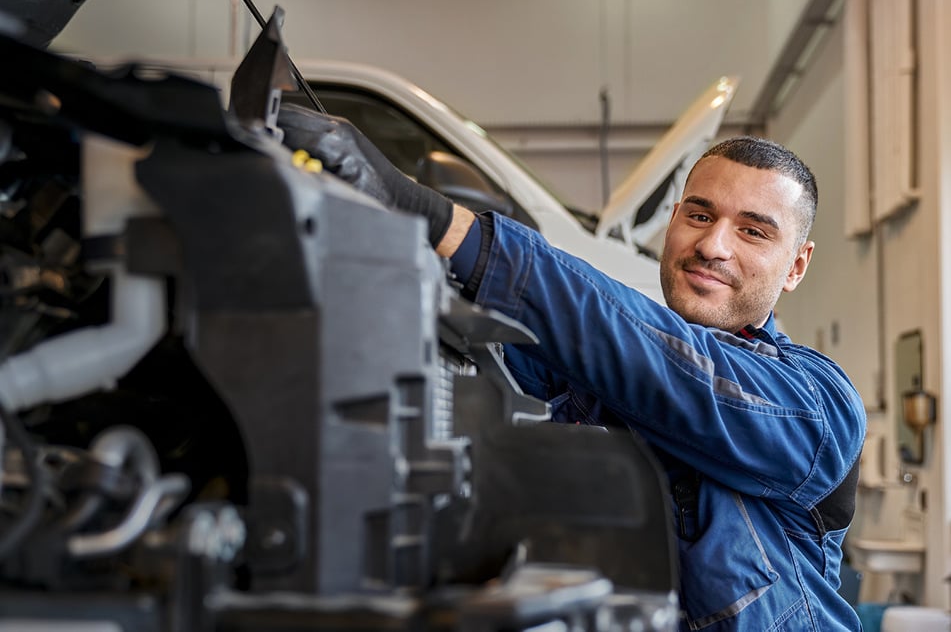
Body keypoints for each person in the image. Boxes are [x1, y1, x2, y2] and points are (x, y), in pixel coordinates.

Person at [278, 104, 867, 631]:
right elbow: (483, 337)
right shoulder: (589, 372)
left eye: (753, 232)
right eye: (699, 215)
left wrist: (424, 209)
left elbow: (669, 364)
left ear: (796, 266)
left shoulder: (818, 404)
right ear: (673, 224)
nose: (714, 245)